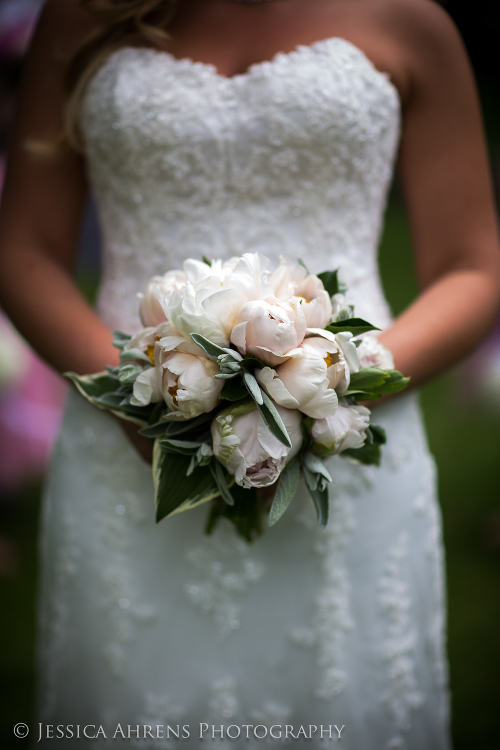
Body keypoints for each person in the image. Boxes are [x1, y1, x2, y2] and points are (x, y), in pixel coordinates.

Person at [1, 0, 499, 747]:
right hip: (129, 441)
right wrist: (137, 400)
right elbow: (24, 248)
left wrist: (331, 390)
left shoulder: (410, 18)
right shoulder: (84, 12)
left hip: (348, 440)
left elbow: (473, 266)